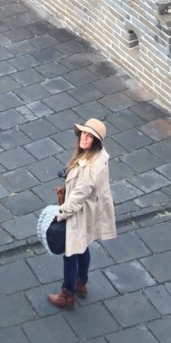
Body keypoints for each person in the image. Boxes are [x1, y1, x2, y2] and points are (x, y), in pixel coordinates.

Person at [47, 118, 116, 310]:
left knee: (70, 253)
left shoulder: (89, 168)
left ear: (96, 141)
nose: (84, 138)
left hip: (80, 214)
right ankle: (81, 283)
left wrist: (59, 214)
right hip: (91, 211)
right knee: (82, 247)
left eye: (90, 136)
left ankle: (67, 296)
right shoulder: (98, 157)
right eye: (83, 133)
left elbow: (78, 197)